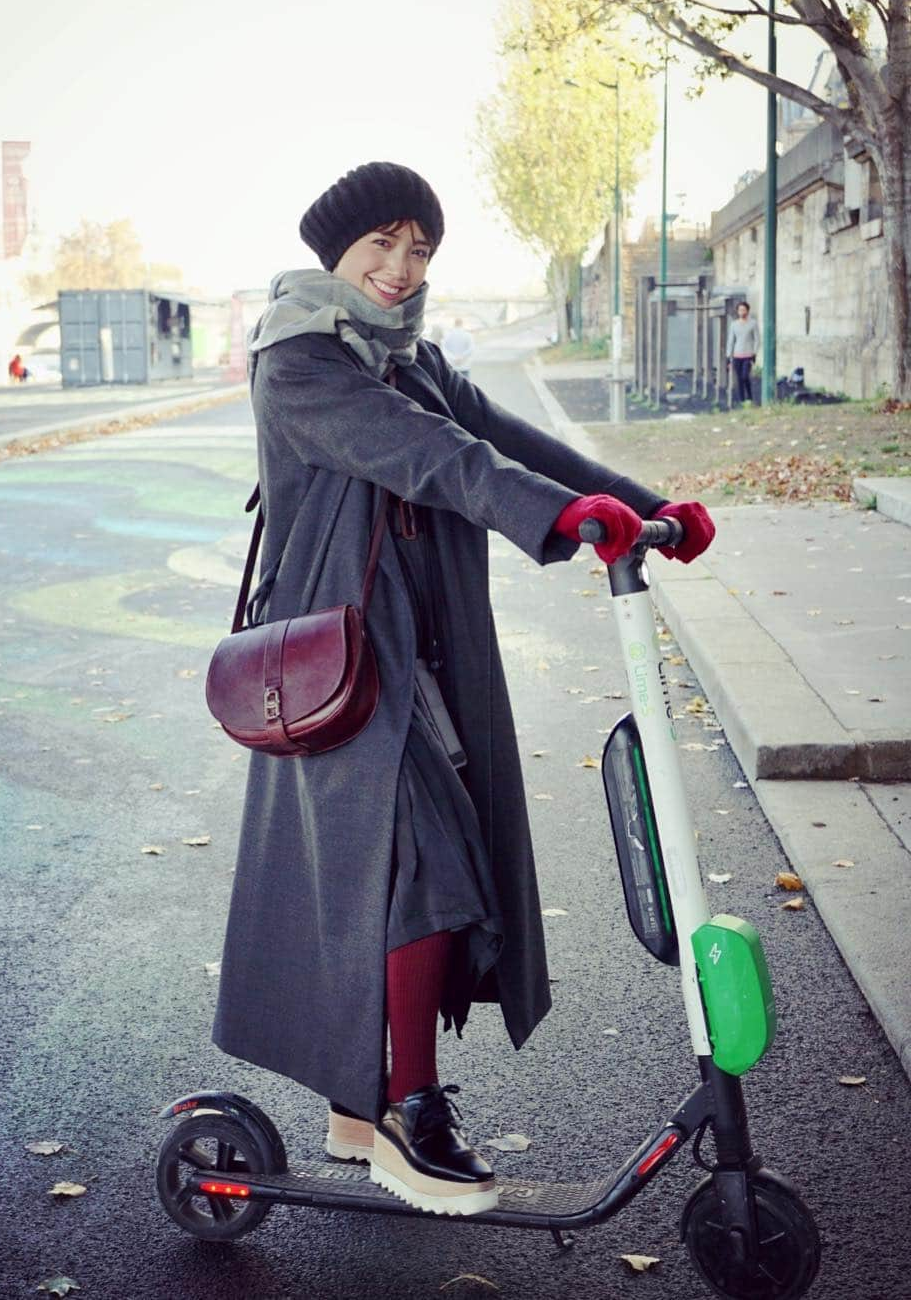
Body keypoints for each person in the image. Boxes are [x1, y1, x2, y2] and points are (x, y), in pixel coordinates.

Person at [211, 161, 715, 1218]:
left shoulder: (417, 357)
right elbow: (431, 457)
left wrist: (645, 507)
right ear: (336, 254)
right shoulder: (299, 361)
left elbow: (503, 438)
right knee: (425, 871)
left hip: (418, 655)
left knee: (412, 870)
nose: (401, 270)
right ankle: (406, 1109)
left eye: (421, 248)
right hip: (341, 660)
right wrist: (559, 520)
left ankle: (359, 1114)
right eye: (382, 246)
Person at [727, 301, 760, 404]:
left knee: (745, 376)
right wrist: (729, 356)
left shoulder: (753, 323)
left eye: (744, 309)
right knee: (739, 379)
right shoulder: (734, 324)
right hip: (737, 355)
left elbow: (757, 339)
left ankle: (749, 397)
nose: (742, 312)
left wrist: (754, 353)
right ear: (737, 311)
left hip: (748, 355)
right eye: (740, 310)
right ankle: (742, 400)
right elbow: (731, 341)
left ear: (748, 310)